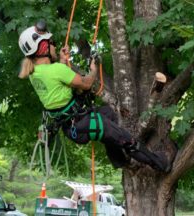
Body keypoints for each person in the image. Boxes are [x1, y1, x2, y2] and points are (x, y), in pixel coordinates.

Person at [18, 21, 170, 172]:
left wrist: (63, 61)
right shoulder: (56, 70)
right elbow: (86, 83)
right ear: (42, 47)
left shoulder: (34, 73)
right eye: (51, 43)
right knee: (125, 139)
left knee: (109, 113)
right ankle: (160, 163)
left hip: (72, 126)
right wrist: (93, 69)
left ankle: (120, 161)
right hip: (81, 123)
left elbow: (56, 81)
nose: (55, 45)